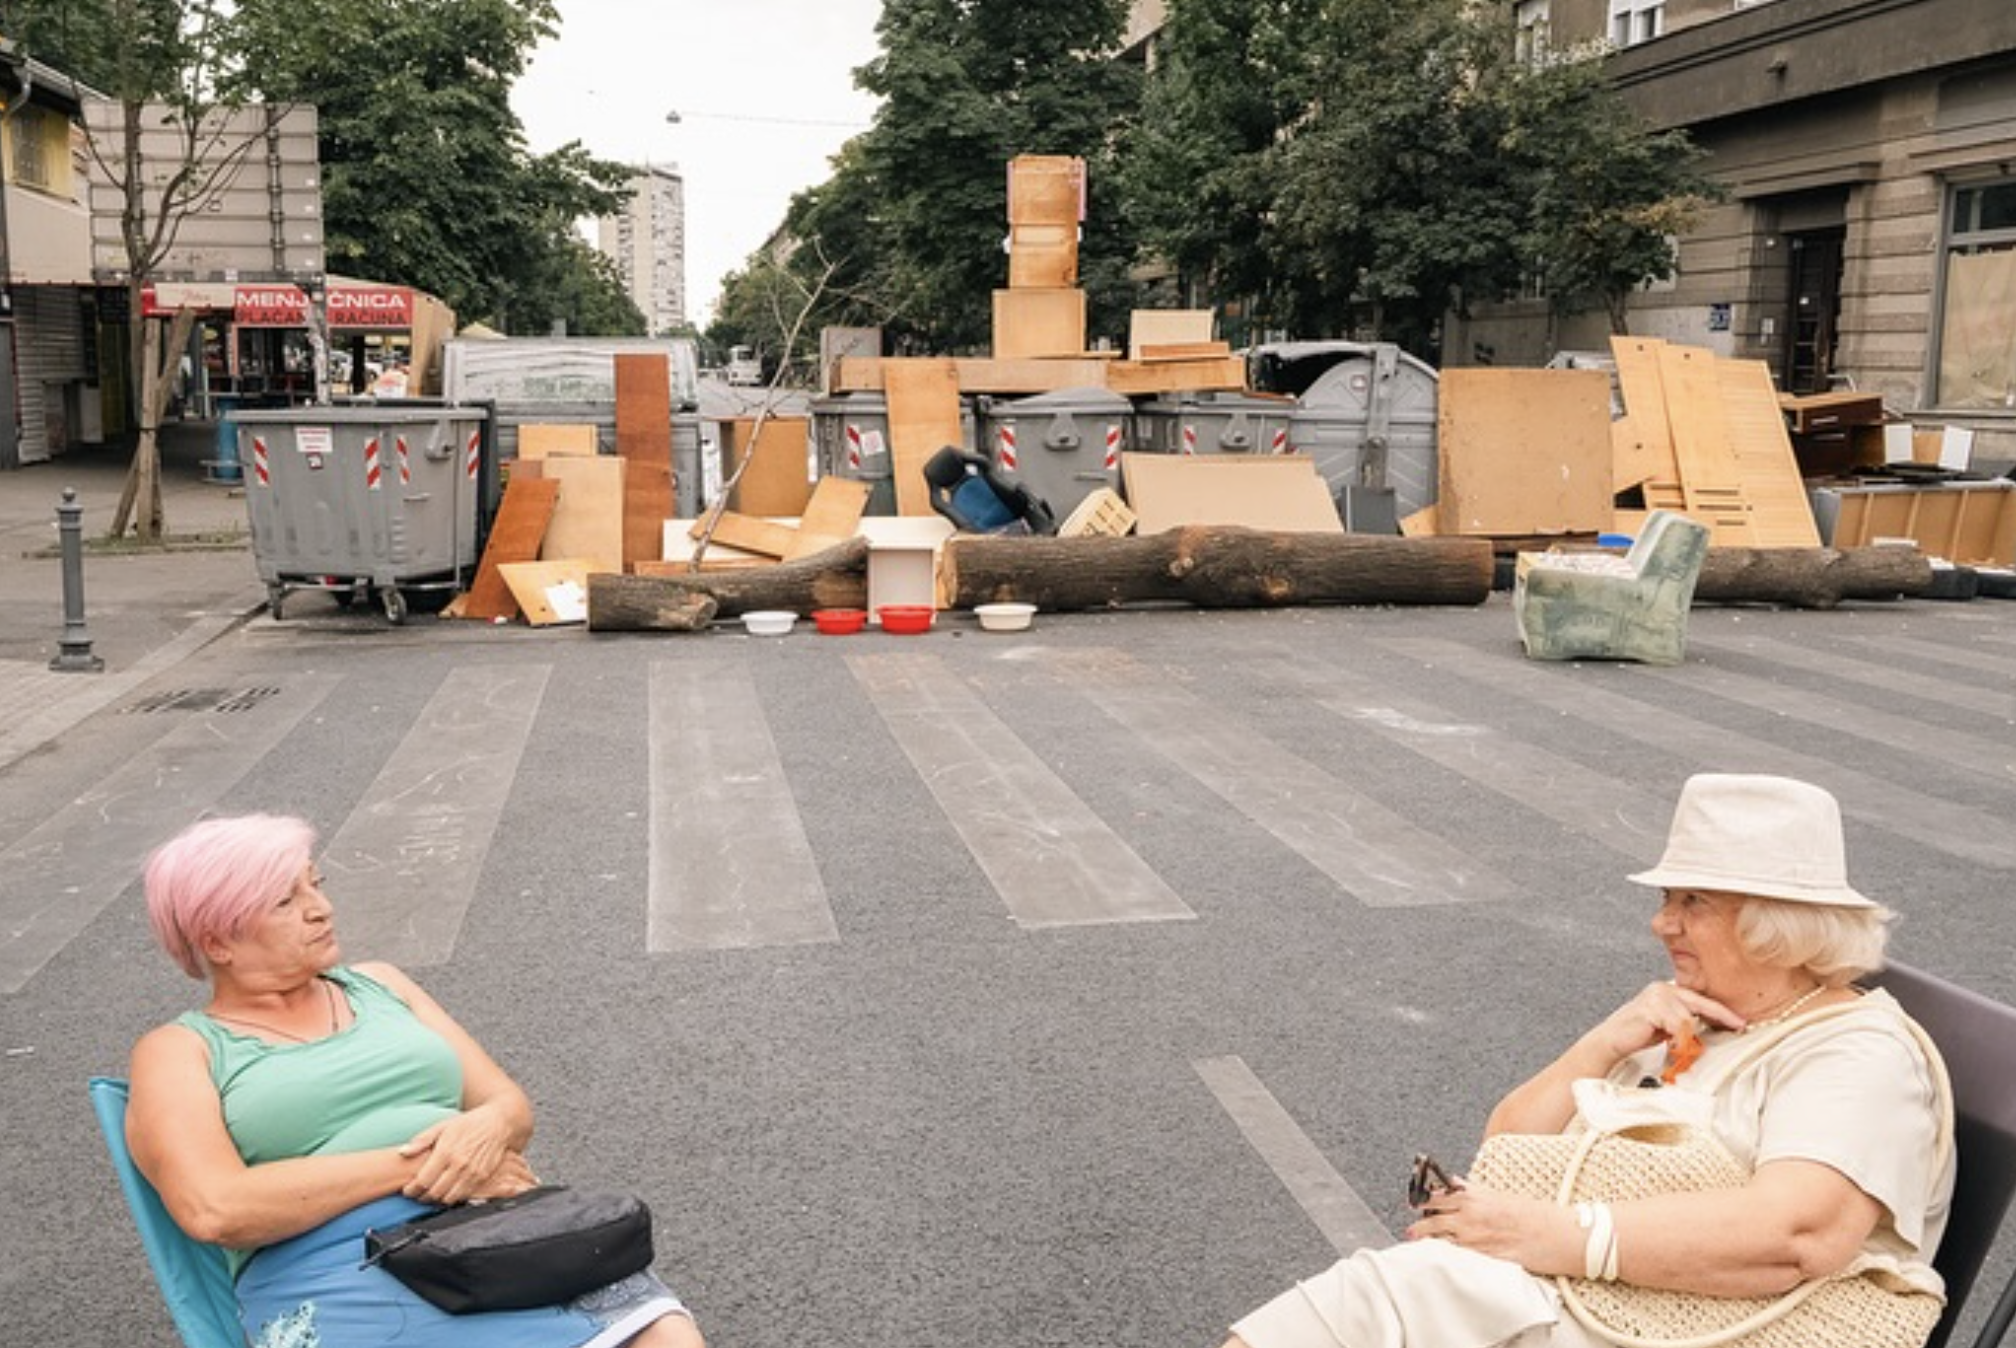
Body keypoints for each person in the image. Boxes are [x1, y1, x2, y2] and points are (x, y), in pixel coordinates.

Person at [1220, 773, 1954, 1348]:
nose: (1661, 921)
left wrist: (1543, 1233)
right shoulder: (1709, 1016)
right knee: (1390, 1296)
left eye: (1693, 901)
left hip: (1729, 1321)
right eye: (1670, 897)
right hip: (1637, 1299)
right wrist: (1605, 1040)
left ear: (1777, 927)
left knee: (1385, 1299)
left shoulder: (1855, 1055)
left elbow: (1797, 1235)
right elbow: (1508, 1147)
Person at [126, 814, 706, 1348]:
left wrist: (487, 1129)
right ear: (217, 942)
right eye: (284, 900)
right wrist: (414, 1166)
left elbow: (508, 1107)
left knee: (665, 1338)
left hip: (490, 1229)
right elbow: (215, 1208)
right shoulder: (178, 1050)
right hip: (330, 1265)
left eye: (316, 884)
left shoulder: (383, 986)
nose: (321, 908)